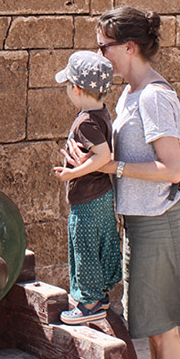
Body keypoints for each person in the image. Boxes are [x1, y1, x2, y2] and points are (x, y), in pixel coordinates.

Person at [68, 6, 180, 359]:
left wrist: (113, 167)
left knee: (164, 330)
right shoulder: (129, 93)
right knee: (155, 330)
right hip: (143, 221)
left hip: (161, 220)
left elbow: (171, 169)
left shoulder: (154, 97)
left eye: (102, 46)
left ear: (128, 47)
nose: (98, 55)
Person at [51, 51, 122, 325]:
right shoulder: (101, 113)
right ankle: (101, 295)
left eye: (68, 85)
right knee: (101, 241)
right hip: (102, 193)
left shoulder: (85, 122)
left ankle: (89, 304)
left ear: (76, 88)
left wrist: (72, 172)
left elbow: (103, 156)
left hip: (89, 198)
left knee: (85, 245)